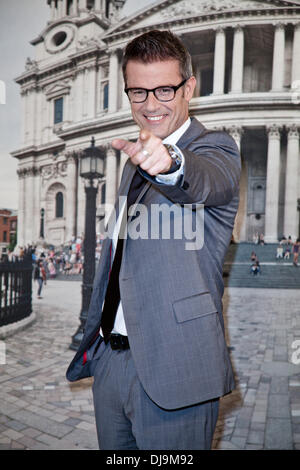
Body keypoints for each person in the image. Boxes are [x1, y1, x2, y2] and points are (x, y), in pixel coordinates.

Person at [66, 29, 241, 450]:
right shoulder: (134, 161)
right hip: (112, 364)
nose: (150, 104)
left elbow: (202, 181)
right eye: (138, 92)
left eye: (164, 89)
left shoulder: (216, 149)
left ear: (189, 88)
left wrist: (171, 164)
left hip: (174, 368)